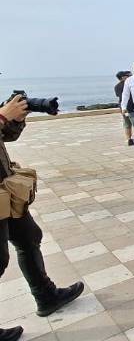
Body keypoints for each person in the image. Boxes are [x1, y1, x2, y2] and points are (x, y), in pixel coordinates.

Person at [0, 95, 85, 341]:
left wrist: (16, 119)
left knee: (29, 237)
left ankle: (45, 295)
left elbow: (7, 137)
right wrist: (3, 116)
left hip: (5, 190)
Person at [114, 70, 134, 146]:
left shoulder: (116, 86)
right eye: (127, 75)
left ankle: (129, 140)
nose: (129, 76)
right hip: (131, 107)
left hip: (123, 108)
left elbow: (119, 96)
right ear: (123, 77)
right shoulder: (129, 84)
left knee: (127, 125)